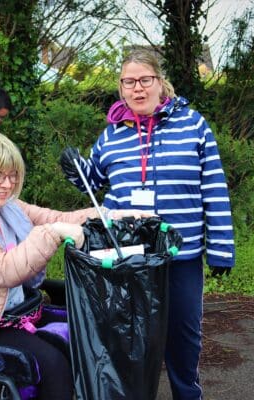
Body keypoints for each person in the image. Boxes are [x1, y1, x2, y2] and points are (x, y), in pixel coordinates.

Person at [60, 49, 235, 400]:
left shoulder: (193, 124)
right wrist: (76, 167)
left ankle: (188, 395)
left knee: (183, 341)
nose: (137, 89)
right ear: (121, 88)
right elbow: (92, 183)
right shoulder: (111, 135)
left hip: (180, 259)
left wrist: (220, 248)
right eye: (129, 82)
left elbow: (214, 188)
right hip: (127, 261)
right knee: (129, 344)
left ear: (160, 82)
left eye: (144, 80)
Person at [0, 129, 148, 400]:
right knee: (53, 364)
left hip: (15, 312)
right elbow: (2, 269)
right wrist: (52, 233)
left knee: (93, 341)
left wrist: (112, 215)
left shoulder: (6, 207)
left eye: (12, 175)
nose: (7, 184)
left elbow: (58, 216)